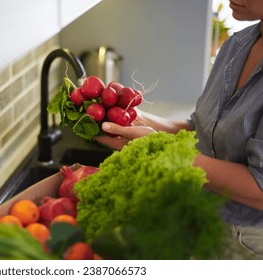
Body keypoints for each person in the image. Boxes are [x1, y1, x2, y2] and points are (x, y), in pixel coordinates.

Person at [96, 0, 263, 259]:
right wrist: (139, 119)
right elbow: (201, 131)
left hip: (250, 244)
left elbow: (260, 189)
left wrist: (162, 151)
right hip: (205, 218)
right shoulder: (236, 45)